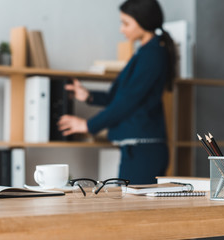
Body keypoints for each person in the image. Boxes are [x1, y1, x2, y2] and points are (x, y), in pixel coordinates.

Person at [58, 0, 177, 184]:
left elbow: (127, 102)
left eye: (126, 23)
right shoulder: (144, 53)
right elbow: (119, 98)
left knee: (133, 210)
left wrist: (88, 125)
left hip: (144, 151)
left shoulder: (153, 55)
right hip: (135, 150)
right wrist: (88, 95)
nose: (122, 29)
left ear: (143, 21)